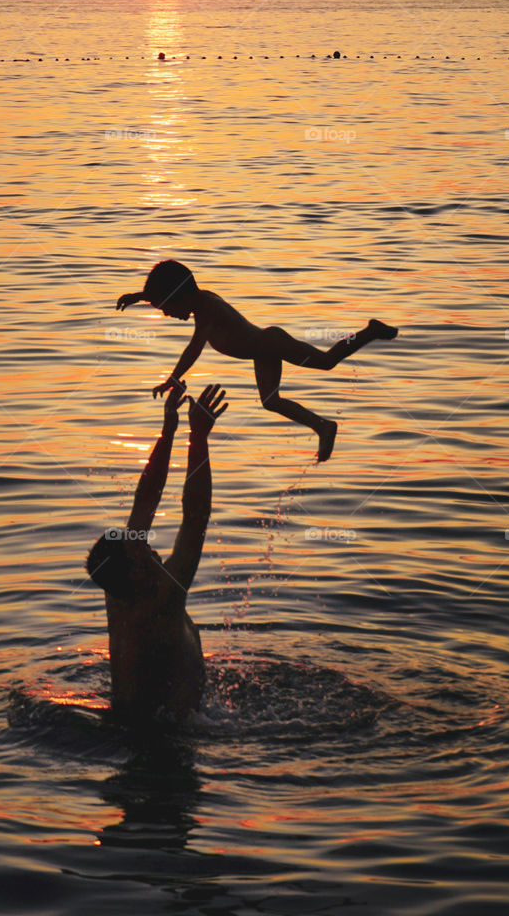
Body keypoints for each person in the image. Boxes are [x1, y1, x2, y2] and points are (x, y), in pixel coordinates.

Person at [116, 259, 397, 462]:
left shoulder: (208, 310)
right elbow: (173, 289)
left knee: (326, 361)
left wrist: (173, 378)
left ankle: (369, 331)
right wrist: (137, 296)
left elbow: (194, 349)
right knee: (271, 401)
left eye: (167, 308)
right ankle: (323, 426)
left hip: (271, 343)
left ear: (181, 297)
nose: (167, 315)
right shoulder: (196, 300)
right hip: (262, 352)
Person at [85, 381, 227, 723]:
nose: (148, 545)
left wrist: (169, 430)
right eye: (141, 549)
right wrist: (199, 437)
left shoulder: (118, 589)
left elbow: (146, 499)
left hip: (131, 728)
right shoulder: (161, 598)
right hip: (162, 744)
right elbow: (195, 518)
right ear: (134, 572)